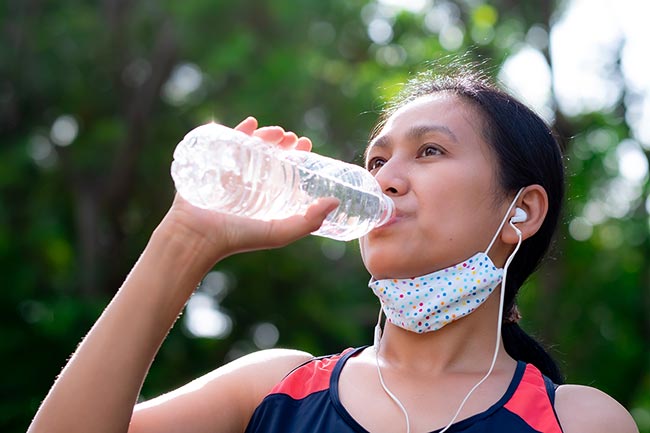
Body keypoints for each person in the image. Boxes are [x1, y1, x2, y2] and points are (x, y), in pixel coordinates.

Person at [28, 65, 639, 433]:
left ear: (521, 212)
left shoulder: (577, 421)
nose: (385, 178)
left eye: (429, 151)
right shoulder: (275, 390)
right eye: (377, 159)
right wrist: (185, 241)